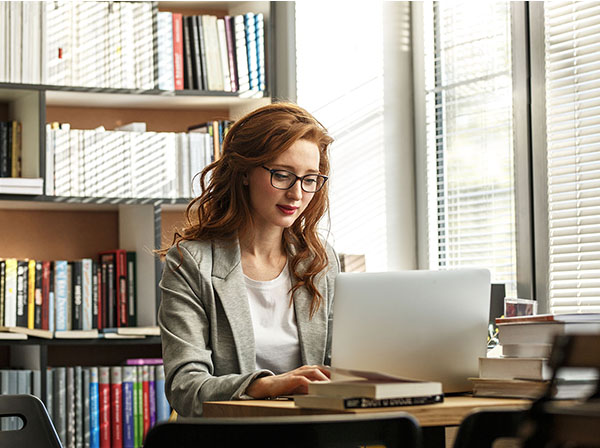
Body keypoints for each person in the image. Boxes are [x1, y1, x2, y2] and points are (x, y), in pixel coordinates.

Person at [158, 102, 340, 417]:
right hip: (232, 437)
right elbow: (185, 387)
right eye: (282, 175)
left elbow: (339, 363)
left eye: (310, 179)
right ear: (244, 172)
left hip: (312, 432)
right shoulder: (191, 262)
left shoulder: (319, 260)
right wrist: (268, 385)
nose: (297, 194)